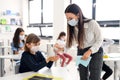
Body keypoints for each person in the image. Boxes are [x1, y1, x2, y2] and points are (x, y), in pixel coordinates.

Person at [64, 4, 103, 80]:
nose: (69, 21)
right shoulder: (73, 27)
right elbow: (72, 42)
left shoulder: (92, 23)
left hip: (95, 51)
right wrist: (63, 49)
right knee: (83, 76)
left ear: (78, 15)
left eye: (70, 18)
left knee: (95, 77)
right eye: (67, 18)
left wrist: (90, 51)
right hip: (81, 50)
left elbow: (100, 40)